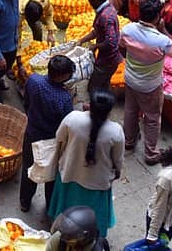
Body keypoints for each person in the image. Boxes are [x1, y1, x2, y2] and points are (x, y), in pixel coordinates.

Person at [48, 91, 124, 238]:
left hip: (70, 174)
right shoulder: (116, 131)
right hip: (98, 182)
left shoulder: (73, 118)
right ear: (109, 111)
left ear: (90, 105)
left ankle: (61, 230)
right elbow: (118, 160)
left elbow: (59, 138)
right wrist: (117, 172)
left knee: (65, 208)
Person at [119, 0, 172, 164]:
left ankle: (129, 141)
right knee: (152, 118)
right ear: (158, 17)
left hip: (130, 79)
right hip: (150, 85)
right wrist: (163, 29)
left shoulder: (128, 29)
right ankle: (151, 154)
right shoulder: (161, 40)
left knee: (130, 111)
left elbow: (121, 47)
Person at [21, 55, 76, 213]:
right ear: (61, 76)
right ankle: (50, 206)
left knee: (28, 168)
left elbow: (26, 103)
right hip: (52, 140)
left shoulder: (33, 80)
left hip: (32, 133)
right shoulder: (64, 98)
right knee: (51, 175)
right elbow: (67, 124)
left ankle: (25, 202)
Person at [76, 0, 123, 96]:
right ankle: (106, 98)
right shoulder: (106, 9)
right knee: (104, 83)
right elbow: (97, 31)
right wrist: (82, 40)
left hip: (108, 60)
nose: (89, 3)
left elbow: (111, 42)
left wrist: (95, 46)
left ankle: (98, 104)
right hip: (108, 58)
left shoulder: (105, 16)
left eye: (90, 0)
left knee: (94, 87)